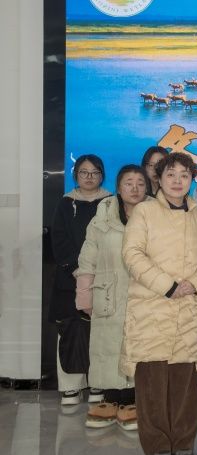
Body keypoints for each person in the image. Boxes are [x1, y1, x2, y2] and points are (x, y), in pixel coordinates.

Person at [121, 152, 197, 455]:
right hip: (153, 306)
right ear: (159, 179)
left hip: (189, 307)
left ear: (192, 180)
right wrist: (168, 285)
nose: (177, 181)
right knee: (152, 379)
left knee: (184, 380)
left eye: (184, 175)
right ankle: (157, 444)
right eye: (171, 174)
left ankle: (184, 441)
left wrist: (195, 284)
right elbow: (132, 254)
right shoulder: (145, 211)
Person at [74, 165, 149, 429]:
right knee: (107, 346)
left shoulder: (155, 214)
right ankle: (110, 398)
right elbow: (88, 256)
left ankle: (134, 400)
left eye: (140, 183)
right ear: (118, 187)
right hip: (108, 293)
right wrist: (84, 295)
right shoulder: (102, 215)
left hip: (144, 295)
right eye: (129, 182)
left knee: (139, 346)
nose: (135, 188)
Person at [50, 154, 111, 406]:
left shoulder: (110, 203)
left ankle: (98, 382)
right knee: (69, 331)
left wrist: (98, 271)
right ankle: (70, 386)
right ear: (76, 175)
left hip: (103, 278)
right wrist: (77, 269)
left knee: (100, 332)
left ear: (102, 176)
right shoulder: (66, 203)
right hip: (70, 278)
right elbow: (58, 239)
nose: (89, 177)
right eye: (84, 172)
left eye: (95, 172)